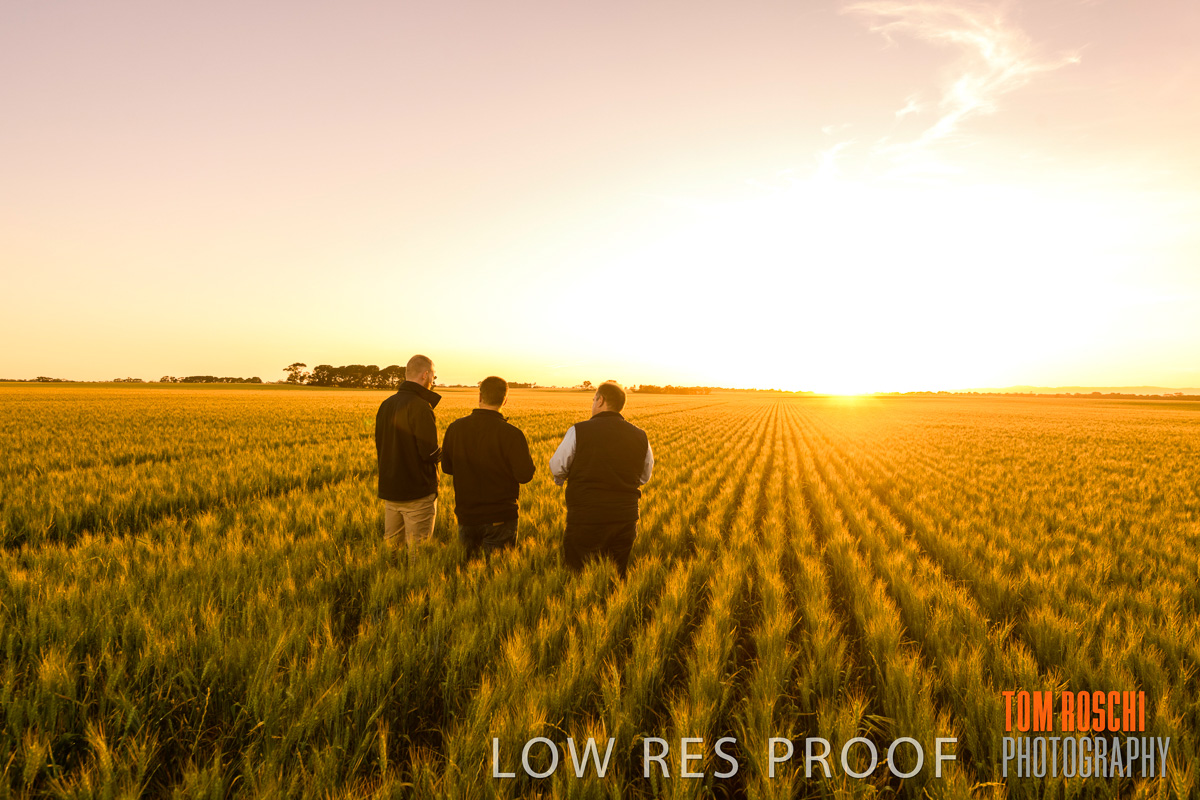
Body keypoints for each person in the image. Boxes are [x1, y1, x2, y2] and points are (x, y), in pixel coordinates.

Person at [549, 380, 653, 577]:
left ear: (601, 400)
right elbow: (644, 476)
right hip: (624, 518)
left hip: (586, 517)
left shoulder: (578, 431)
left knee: (578, 574)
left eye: (593, 399)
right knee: (617, 575)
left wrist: (562, 480)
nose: (593, 404)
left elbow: (557, 467)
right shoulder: (641, 436)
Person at [441, 376, 535, 558]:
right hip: (500, 518)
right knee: (497, 572)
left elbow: (447, 467)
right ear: (505, 400)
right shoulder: (513, 434)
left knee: (467, 569)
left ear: (480, 396)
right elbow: (525, 476)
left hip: (467, 516)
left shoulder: (455, 428)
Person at [375, 354, 441, 552]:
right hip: (417, 493)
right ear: (425, 375)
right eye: (433, 375)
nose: (433, 380)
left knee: (392, 551)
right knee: (418, 552)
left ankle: (390, 573)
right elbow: (428, 452)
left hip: (391, 491)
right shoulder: (421, 406)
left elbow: (381, 445)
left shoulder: (386, 405)